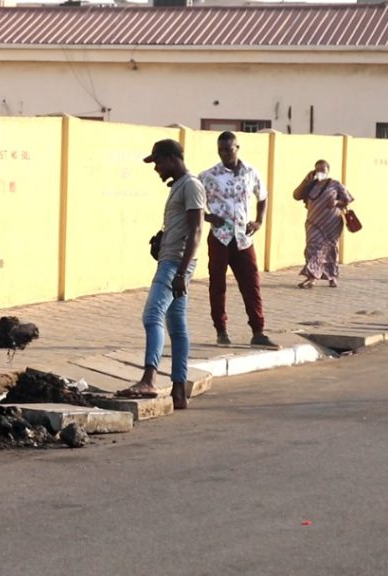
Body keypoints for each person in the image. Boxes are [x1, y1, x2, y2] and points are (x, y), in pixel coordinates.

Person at [115, 140, 204, 410]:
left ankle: (149, 378)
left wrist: (180, 271)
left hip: (176, 263)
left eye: (158, 162)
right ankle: (179, 390)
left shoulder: (191, 185)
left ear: (171, 158)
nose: (156, 168)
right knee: (176, 325)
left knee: (152, 315)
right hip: (172, 260)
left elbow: (197, 230)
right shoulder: (180, 186)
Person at [198, 131, 277, 349]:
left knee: (251, 284)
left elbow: (263, 197)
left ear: (237, 148)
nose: (224, 153)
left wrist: (259, 221)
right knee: (218, 285)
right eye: (221, 150)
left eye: (228, 149)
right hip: (220, 237)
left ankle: (258, 331)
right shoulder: (208, 176)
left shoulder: (250, 172)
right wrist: (208, 216)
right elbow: (193, 203)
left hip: (243, 238)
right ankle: (221, 330)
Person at [293, 159, 354, 288]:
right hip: (313, 222)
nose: (320, 172)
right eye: (318, 170)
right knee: (312, 248)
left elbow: (347, 200)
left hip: (332, 223)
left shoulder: (335, 184)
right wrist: (306, 180)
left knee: (330, 249)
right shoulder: (311, 185)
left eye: (323, 170)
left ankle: (331, 277)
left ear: (328, 171)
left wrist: (337, 202)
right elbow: (296, 195)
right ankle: (312, 277)